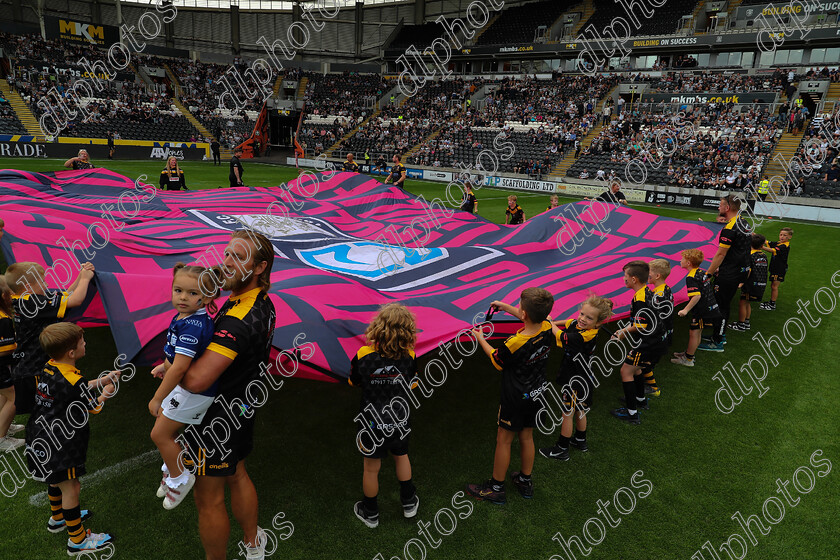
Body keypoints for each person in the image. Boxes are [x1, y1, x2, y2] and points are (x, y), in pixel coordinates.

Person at [178, 231, 276, 560]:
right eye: (227, 254)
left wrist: (178, 354)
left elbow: (194, 380)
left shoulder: (236, 320)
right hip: (241, 406)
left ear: (260, 267)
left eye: (238, 256)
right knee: (237, 473)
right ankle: (252, 543)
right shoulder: (259, 301)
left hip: (213, 420)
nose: (227, 262)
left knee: (208, 500)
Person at [25, 322, 120, 555]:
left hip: (38, 435)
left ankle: (58, 519)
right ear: (71, 352)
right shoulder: (74, 381)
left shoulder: (48, 366)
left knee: (55, 481)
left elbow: (71, 390)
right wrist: (107, 391)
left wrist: (101, 380)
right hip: (61, 445)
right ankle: (77, 541)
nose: (85, 344)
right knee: (72, 487)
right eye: (82, 342)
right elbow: (93, 407)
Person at [467, 288, 555, 504]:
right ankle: (525, 480)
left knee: (504, 439)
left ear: (524, 314)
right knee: (527, 436)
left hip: (515, 397)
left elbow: (497, 360)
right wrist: (505, 307)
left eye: (519, 308)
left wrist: (480, 338)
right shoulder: (548, 326)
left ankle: (496, 488)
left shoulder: (515, 343)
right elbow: (532, 318)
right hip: (537, 393)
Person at [148, 264, 220, 510]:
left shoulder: (192, 325)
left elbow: (180, 367)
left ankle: (181, 478)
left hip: (194, 391)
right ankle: (172, 468)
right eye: (178, 290)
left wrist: (158, 397)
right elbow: (176, 360)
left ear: (207, 297)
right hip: (184, 387)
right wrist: (164, 366)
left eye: (192, 293)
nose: (183, 297)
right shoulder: (185, 317)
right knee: (164, 430)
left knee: (159, 434)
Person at [349, 303, 420, 528]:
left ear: (377, 328)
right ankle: (409, 503)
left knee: (371, 467)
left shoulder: (363, 354)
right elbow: (414, 384)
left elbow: (353, 381)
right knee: (402, 456)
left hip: (371, 423)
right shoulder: (411, 355)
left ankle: (370, 512)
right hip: (400, 419)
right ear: (408, 331)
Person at [6, 261, 95, 417]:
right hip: (33, 370)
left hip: (26, 366)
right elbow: (76, 300)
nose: (47, 285)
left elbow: (65, 296)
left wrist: (81, 274)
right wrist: (86, 279)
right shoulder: (33, 303)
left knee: (44, 407)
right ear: (27, 286)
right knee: (43, 409)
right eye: (42, 281)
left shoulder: (24, 299)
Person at [539, 294, 614, 461]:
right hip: (584, 376)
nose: (582, 319)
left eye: (589, 317)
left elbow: (562, 336)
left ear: (598, 323)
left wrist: (550, 324)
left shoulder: (585, 335)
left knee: (567, 412)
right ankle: (580, 439)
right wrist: (549, 322)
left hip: (575, 378)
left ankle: (562, 448)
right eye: (582, 314)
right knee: (580, 408)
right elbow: (568, 322)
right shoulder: (580, 326)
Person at [698, 195, 751, 352]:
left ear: (727, 208)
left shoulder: (730, 228)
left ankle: (718, 340)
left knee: (721, 306)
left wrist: (708, 273)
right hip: (739, 271)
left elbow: (720, 254)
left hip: (729, 274)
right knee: (723, 305)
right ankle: (720, 334)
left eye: (720, 205)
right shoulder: (744, 222)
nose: (718, 208)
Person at [610, 261, 658, 425]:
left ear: (634, 279)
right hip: (653, 341)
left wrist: (623, 332)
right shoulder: (645, 292)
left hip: (647, 343)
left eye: (625, 276)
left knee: (626, 371)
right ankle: (640, 400)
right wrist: (623, 330)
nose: (624, 279)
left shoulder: (640, 299)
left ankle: (632, 414)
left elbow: (642, 324)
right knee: (636, 369)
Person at [671, 249, 721, 368]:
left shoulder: (691, 277)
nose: (680, 260)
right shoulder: (701, 272)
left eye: (683, 259)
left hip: (703, 309)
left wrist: (685, 310)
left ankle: (688, 359)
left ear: (688, 263)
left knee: (694, 332)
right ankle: (689, 354)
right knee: (698, 331)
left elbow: (696, 296)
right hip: (710, 306)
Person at [640, 259, 673, 398]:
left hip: (658, 335)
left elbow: (654, 317)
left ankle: (653, 387)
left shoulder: (657, 295)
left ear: (657, 276)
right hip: (666, 332)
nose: (647, 274)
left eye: (649, 272)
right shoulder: (665, 289)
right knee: (648, 361)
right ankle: (647, 381)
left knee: (644, 361)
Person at [0, 277, 23, 452]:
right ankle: (1, 439)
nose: (13, 295)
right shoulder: (3, 320)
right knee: (15, 398)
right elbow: (4, 350)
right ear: (3, 296)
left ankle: (4, 425)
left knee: (4, 395)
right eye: (10, 293)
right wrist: (19, 346)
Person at [731, 234, 768, 332]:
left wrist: (742, 282)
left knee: (742, 303)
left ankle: (741, 324)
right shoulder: (764, 255)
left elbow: (749, 271)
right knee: (747, 302)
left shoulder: (749, 256)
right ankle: (746, 322)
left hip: (750, 283)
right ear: (761, 246)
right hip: (761, 283)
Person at [760, 227, 793, 311]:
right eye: (781, 234)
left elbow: (772, 250)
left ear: (790, 237)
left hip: (779, 269)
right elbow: (768, 242)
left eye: (785, 235)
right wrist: (756, 236)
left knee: (774, 286)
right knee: (773, 285)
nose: (782, 237)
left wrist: (762, 247)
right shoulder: (779, 243)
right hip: (775, 268)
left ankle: (772, 305)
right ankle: (771, 302)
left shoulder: (784, 246)